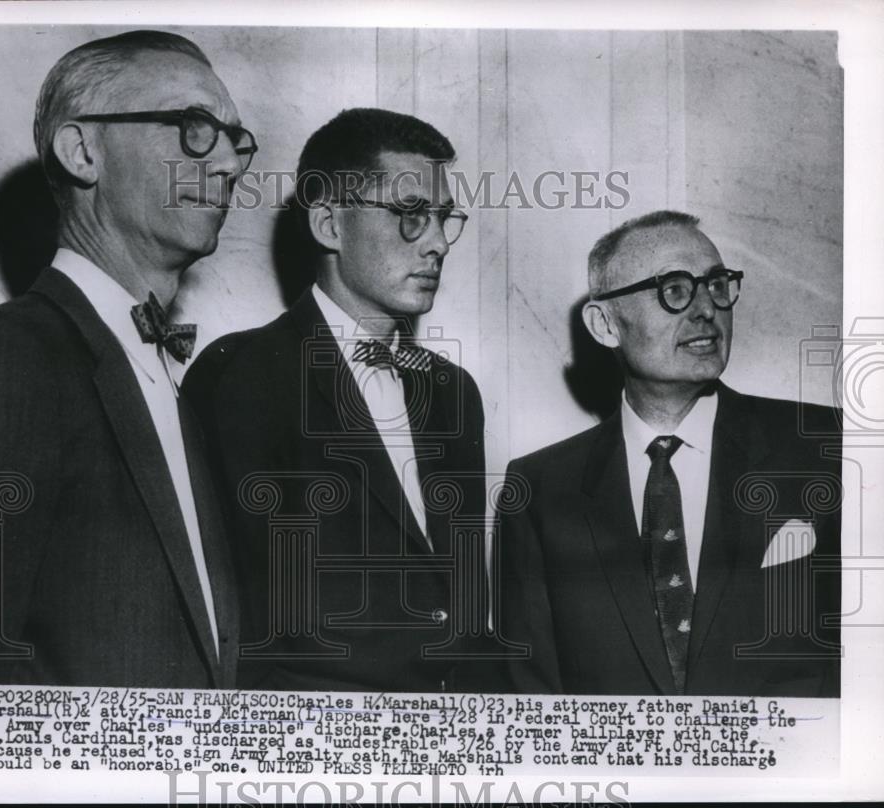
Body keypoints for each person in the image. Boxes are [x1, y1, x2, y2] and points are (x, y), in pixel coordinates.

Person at [0, 30, 254, 687]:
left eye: (235, 141)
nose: (228, 166)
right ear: (83, 151)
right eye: (194, 127)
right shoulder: (0, 357)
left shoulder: (178, 382)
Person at [183, 108, 487, 692]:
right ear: (328, 224)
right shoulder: (237, 375)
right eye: (410, 216)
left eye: (445, 219)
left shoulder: (452, 391)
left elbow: (461, 604)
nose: (439, 244)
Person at [497, 210, 841, 696]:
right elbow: (529, 695)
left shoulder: (827, 446)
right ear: (604, 324)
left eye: (717, 285)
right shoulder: (539, 488)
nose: (706, 309)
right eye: (675, 290)